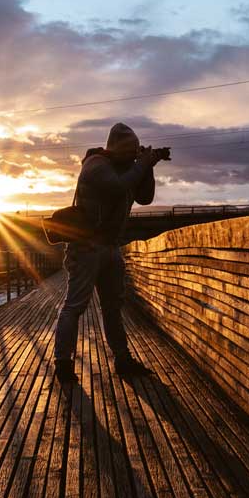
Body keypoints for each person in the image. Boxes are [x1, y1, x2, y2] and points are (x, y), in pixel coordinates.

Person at [52, 122, 163, 384]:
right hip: (86, 247)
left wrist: (148, 169)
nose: (135, 154)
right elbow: (117, 186)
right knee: (75, 306)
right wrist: (142, 164)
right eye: (131, 149)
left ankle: (123, 360)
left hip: (111, 248)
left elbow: (145, 197)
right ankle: (62, 363)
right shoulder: (96, 164)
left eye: (137, 150)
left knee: (113, 308)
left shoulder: (129, 169)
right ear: (119, 148)